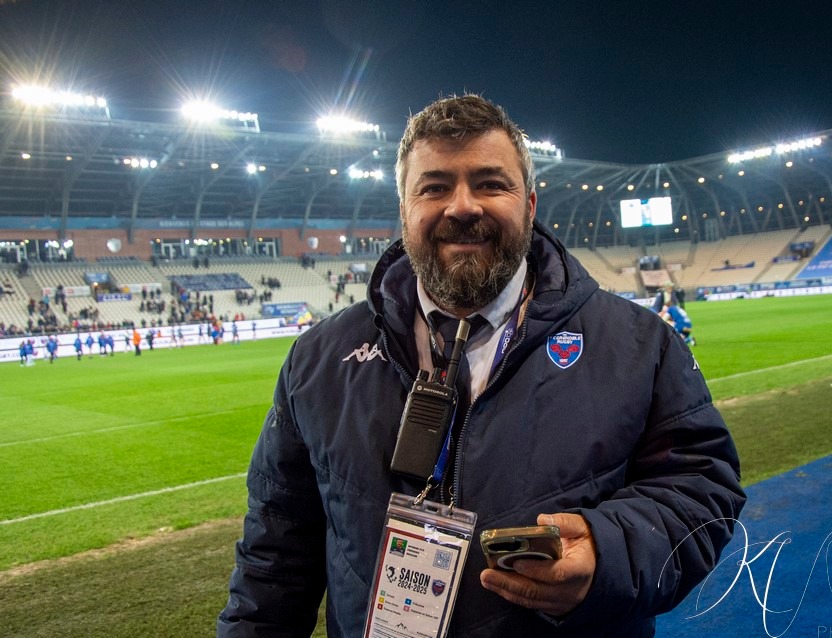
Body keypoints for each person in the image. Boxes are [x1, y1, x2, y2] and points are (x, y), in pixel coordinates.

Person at [218, 94, 745, 637]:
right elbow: (274, 557)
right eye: (435, 186)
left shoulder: (639, 345)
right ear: (404, 211)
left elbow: (700, 487)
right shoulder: (320, 359)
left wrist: (609, 551)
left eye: (491, 183)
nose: (463, 206)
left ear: (531, 205)